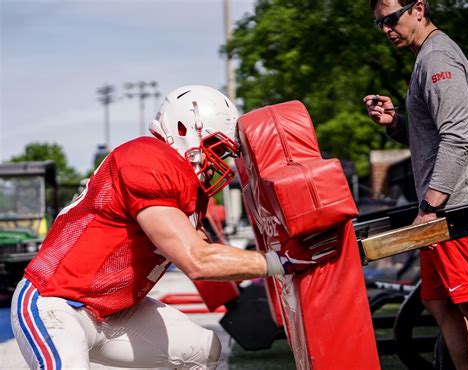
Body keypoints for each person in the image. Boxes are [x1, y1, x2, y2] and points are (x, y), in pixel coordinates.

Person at [10, 85, 319, 369]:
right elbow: (197, 260)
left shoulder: (185, 185)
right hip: (56, 303)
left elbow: (208, 255)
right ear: (185, 130)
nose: (218, 162)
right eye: (217, 148)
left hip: (115, 312)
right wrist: (282, 262)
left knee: (203, 349)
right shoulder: (147, 159)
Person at [363, 1, 468, 368]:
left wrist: (429, 208)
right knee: (438, 302)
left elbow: (458, 137)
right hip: (442, 212)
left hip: (457, 209)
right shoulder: (423, 58)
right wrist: (395, 123)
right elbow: (430, 137)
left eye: (391, 19)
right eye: (380, 24)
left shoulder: (438, 59)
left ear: (419, 8)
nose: (386, 29)